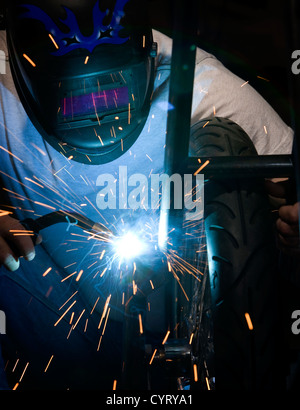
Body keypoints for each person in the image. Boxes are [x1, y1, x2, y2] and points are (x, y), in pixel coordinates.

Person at [0, 0, 297, 390]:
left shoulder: (199, 85)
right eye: (73, 99)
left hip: (188, 322)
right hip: (57, 311)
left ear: (151, 60)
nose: (98, 117)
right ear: (22, 81)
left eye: (111, 91)